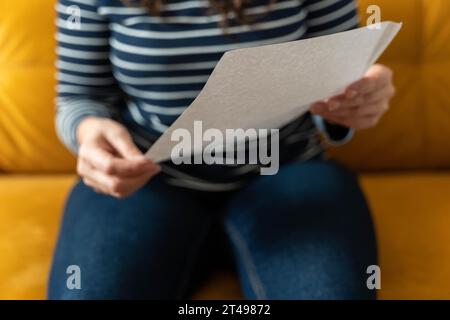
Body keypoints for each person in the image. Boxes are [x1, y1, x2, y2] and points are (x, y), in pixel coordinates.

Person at [48, 0, 395, 299]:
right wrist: (89, 133)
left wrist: (356, 98)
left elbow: (340, 77)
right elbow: (79, 96)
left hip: (287, 173)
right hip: (146, 180)